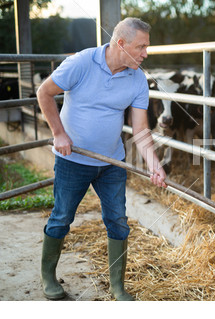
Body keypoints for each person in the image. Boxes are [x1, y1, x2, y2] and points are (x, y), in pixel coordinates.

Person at [37, 17, 166, 301]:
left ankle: (118, 286)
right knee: (61, 217)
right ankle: (48, 276)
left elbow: (141, 129)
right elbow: (44, 93)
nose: (146, 53)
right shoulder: (81, 63)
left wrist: (154, 165)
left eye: (147, 47)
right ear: (121, 43)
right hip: (74, 160)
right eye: (141, 46)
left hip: (112, 164)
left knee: (118, 221)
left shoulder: (137, 79)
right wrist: (59, 133)